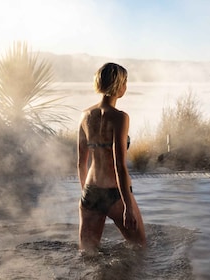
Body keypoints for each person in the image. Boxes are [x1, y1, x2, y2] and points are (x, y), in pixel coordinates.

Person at [77, 62, 146, 252]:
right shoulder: (119, 117)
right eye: (125, 82)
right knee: (140, 248)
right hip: (115, 193)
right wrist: (128, 207)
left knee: (87, 255)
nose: (126, 87)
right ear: (119, 85)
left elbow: (80, 162)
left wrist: (86, 196)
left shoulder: (85, 116)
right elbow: (119, 165)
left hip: (90, 191)